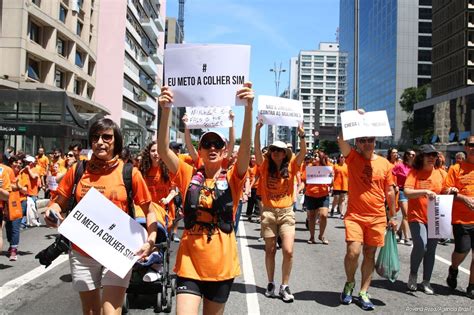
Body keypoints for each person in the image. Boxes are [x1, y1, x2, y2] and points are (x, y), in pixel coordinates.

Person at [157, 83, 253, 315]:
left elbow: (245, 149)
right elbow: (162, 149)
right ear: (199, 152)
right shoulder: (186, 173)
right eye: (207, 144)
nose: (212, 147)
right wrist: (167, 109)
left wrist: (248, 109)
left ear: (224, 151)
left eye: (217, 144)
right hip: (190, 264)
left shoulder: (233, 179)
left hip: (221, 266)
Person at [44, 118, 157, 315]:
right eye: (95, 137)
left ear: (117, 142)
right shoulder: (78, 170)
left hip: (118, 251)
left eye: (107, 137)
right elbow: (57, 202)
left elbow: (149, 211)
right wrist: (51, 211)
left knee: (110, 312)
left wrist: (151, 239)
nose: (100, 142)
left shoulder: (130, 172)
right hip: (82, 253)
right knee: (91, 312)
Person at [337, 123, 397, 311]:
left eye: (370, 139)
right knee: (353, 252)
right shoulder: (352, 158)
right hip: (355, 216)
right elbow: (340, 139)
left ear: (375, 141)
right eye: (362, 140)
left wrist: (393, 216)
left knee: (369, 254)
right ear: (357, 142)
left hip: (377, 217)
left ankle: (363, 291)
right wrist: (355, 119)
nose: (367, 143)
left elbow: (389, 191)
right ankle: (349, 283)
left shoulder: (385, 164)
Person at [254, 119, 306, 303]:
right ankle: (270, 282)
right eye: (273, 150)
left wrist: (301, 135)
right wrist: (257, 130)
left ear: (285, 154)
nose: (276, 153)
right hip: (268, 212)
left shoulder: (292, 166)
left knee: (288, 250)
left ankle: (284, 286)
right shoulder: (264, 166)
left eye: (279, 150)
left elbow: (303, 153)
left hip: (286, 213)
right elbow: (256, 150)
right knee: (269, 250)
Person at [404, 145, 447, 294]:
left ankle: (426, 281)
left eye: (434, 155)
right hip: (417, 216)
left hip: (436, 216)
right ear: (421, 157)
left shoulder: (441, 173)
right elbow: (407, 192)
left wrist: (451, 190)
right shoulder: (414, 173)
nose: (431, 158)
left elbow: (446, 190)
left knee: (431, 250)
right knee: (421, 245)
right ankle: (413, 274)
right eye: (428, 155)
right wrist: (424, 191)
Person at [443, 135, 474, 299]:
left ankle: (471, 286)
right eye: (471, 144)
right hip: (462, 219)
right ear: (466, 147)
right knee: (462, 250)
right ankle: (454, 268)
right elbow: (446, 190)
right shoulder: (456, 169)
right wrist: (462, 197)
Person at [140, 141, 180, 241]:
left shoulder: (168, 169)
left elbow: (174, 191)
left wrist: (167, 199)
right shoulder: (142, 169)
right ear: (148, 153)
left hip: (164, 210)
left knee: (161, 238)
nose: (155, 153)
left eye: (158, 151)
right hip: (146, 211)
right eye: (152, 151)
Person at [303, 150, 331, 245]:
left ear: (321, 158)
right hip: (310, 195)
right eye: (314, 156)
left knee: (324, 215)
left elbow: (331, 182)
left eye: (316, 156)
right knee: (312, 216)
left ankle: (321, 235)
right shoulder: (309, 167)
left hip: (323, 195)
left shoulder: (327, 168)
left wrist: (332, 179)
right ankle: (312, 236)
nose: (314, 157)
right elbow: (304, 180)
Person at [4, 155, 26, 261]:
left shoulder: (23, 174)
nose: (18, 164)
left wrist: (18, 187)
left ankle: (13, 250)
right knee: (8, 226)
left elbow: (26, 189)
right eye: (16, 162)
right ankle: (11, 244)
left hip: (20, 202)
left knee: (15, 226)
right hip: (6, 202)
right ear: (10, 163)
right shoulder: (5, 172)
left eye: (20, 163)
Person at [392, 150, 416, 245]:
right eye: (410, 154)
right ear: (406, 155)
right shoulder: (400, 166)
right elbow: (390, 174)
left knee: (408, 215)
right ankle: (407, 237)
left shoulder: (415, 168)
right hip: (402, 191)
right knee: (406, 215)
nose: (412, 156)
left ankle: (399, 231)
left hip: (412, 192)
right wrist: (395, 184)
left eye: (414, 155)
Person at [330, 154, 348, 218]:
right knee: (336, 199)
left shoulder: (347, 166)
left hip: (344, 185)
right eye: (341, 157)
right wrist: (331, 184)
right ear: (339, 158)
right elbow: (332, 175)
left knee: (342, 199)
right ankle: (332, 208)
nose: (343, 158)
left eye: (344, 157)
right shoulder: (335, 166)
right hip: (336, 185)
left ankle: (342, 213)